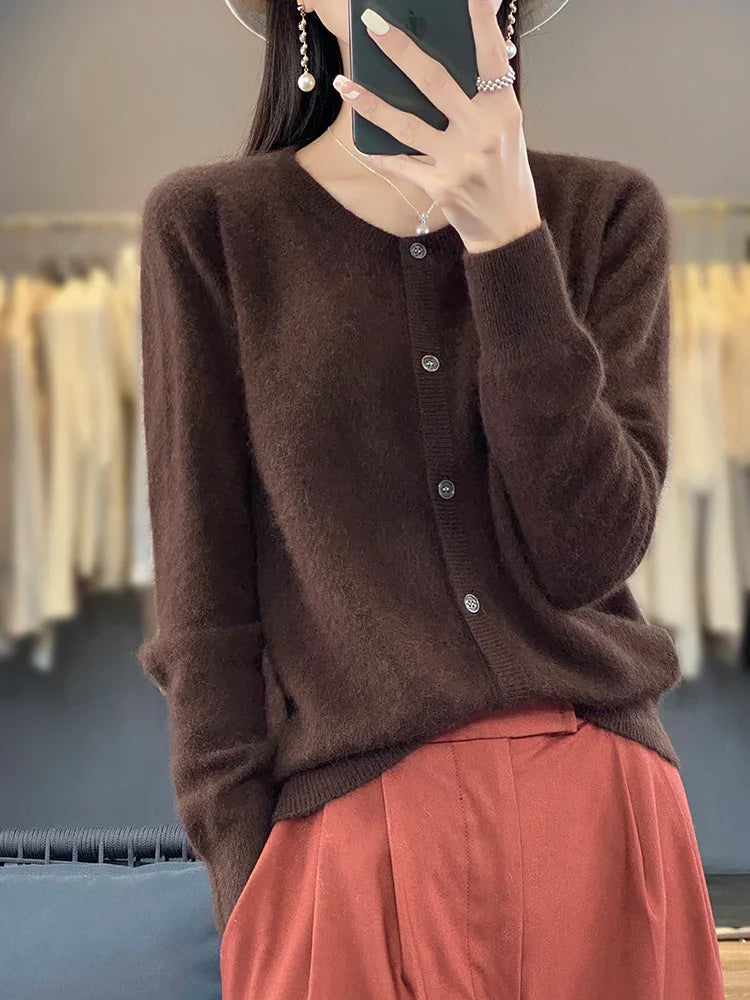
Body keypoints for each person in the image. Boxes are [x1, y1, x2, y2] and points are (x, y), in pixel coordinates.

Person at [136, 1, 727, 997]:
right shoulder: (210, 228)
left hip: (598, 817)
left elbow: (589, 553)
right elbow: (205, 604)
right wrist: (244, 876)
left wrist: (509, 239)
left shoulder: (604, 215)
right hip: (345, 843)